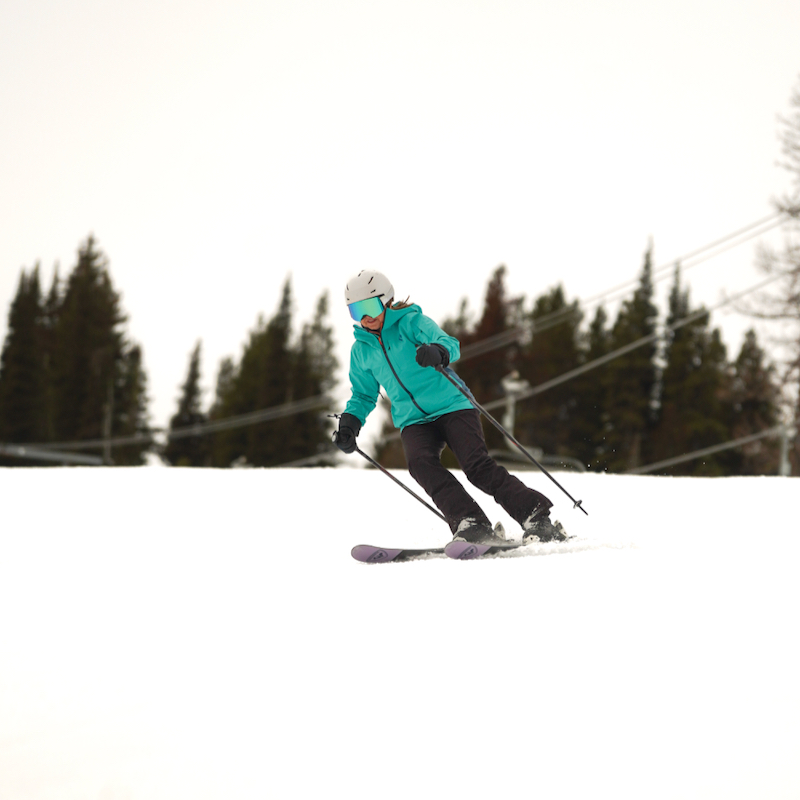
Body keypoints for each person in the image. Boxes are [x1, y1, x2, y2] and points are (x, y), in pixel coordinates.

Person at [333, 269, 566, 545]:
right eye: (356, 310)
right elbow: (362, 394)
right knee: (421, 465)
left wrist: (438, 352)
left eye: (370, 306)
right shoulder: (361, 350)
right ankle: (471, 523)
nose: (366, 317)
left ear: (386, 300)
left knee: (475, 465)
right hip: (413, 420)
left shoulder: (411, 322)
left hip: (452, 406)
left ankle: (536, 517)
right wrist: (350, 422)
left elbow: (449, 344)